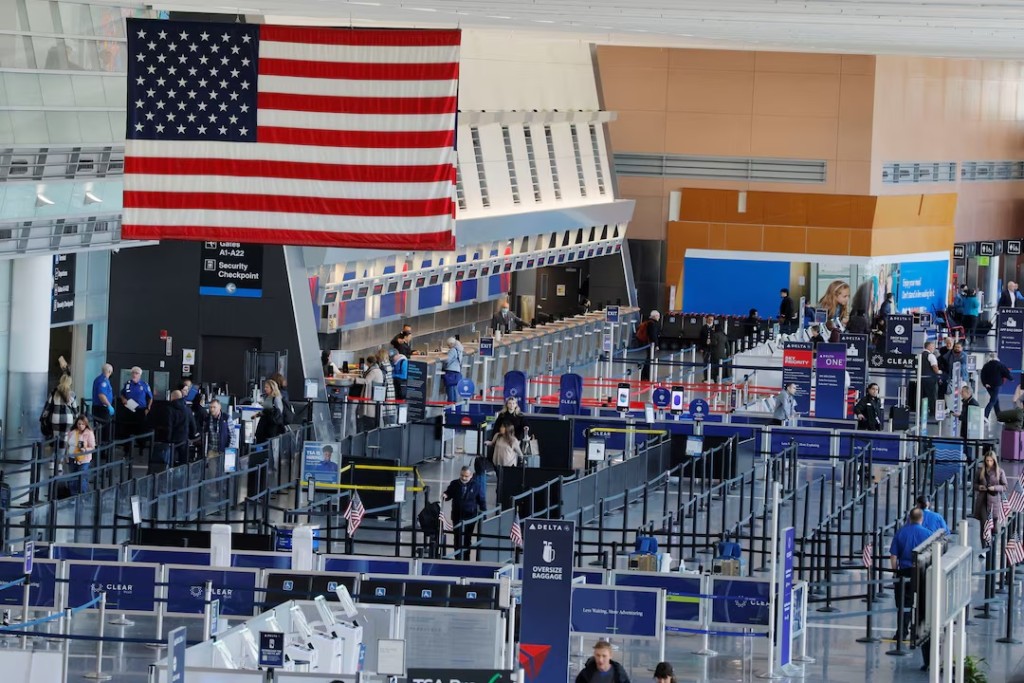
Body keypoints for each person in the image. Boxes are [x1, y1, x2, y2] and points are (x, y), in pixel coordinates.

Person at [889, 508, 932, 642]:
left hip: (903, 572)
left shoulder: (901, 532)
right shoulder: (928, 534)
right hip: (921, 573)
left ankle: (901, 632)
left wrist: (896, 572)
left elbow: (893, 556)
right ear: (921, 519)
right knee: (921, 603)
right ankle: (919, 632)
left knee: (903, 604)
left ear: (910, 518)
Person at [442, 466, 486, 561]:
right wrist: (445, 495)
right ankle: (457, 558)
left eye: (466, 476)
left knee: (467, 538)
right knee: (457, 537)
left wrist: (484, 514)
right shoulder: (454, 484)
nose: (464, 478)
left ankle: (466, 559)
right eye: (462, 475)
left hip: (470, 516)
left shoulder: (476, 486)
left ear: (471, 476)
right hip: (457, 515)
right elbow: (449, 493)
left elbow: (481, 500)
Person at [973, 450, 1007, 546]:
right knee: (984, 524)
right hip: (983, 500)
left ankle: (993, 545)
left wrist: (995, 488)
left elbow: (1004, 486)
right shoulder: (980, 471)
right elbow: (974, 484)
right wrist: (980, 487)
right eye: (987, 460)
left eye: (991, 461)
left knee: (994, 526)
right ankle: (984, 546)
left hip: (994, 500)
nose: (989, 463)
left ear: (994, 461)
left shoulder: (1000, 471)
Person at [119, 366, 154, 457]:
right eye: (133, 373)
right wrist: (123, 399)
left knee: (141, 430)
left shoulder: (144, 384)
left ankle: (141, 448)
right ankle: (126, 450)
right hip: (129, 409)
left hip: (140, 410)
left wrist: (148, 408)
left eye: (136, 373)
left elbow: (150, 397)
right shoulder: (127, 384)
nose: (134, 375)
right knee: (127, 430)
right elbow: (122, 394)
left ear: (140, 375)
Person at [42, 373, 78, 460]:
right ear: (70, 382)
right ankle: (60, 462)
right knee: (64, 440)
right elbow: (75, 410)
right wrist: (76, 416)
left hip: (55, 418)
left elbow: (48, 407)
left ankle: (52, 461)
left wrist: (44, 416)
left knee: (55, 438)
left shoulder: (54, 393)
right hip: (68, 419)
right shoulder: (72, 394)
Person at [64, 414, 96, 494]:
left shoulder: (89, 433)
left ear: (86, 424)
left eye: (82, 424)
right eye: (79, 424)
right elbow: (67, 445)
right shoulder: (72, 432)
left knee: (82, 478)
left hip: (84, 459)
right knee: (73, 478)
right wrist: (66, 455)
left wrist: (85, 449)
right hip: (72, 458)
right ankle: (73, 496)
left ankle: (83, 496)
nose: (80, 426)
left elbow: (92, 446)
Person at [166, 389, 197, 466]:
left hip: (172, 440)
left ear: (172, 397)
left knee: (170, 461)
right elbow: (193, 425)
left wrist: (168, 439)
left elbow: (168, 426)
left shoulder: (169, 409)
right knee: (183, 461)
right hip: (184, 438)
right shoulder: (187, 409)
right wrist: (193, 435)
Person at [980, 352, 1014, 418]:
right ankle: (985, 415)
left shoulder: (986, 365)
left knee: (995, 400)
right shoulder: (1000, 365)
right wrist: (1011, 379)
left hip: (988, 385)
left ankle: (999, 416)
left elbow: (982, 375)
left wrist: (985, 383)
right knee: (993, 401)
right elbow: (1006, 373)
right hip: (996, 385)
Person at [356, 356, 384, 432]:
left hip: (371, 397)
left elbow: (366, 381)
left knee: (370, 417)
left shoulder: (373, 371)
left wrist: (355, 380)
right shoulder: (376, 369)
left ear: (369, 363)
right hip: (375, 396)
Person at [254, 379, 285, 444]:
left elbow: (279, 411)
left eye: (267, 387)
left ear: (272, 388)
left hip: (272, 426)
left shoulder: (276, 398)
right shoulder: (267, 397)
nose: (265, 389)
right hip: (264, 423)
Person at [91, 363, 114, 444]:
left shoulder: (98, 379)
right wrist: (109, 406)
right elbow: (101, 395)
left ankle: (101, 450)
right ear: (110, 371)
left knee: (99, 430)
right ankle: (103, 452)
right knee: (104, 431)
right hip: (102, 409)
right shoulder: (103, 381)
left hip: (98, 408)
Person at [919, 341, 941, 419]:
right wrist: (939, 373)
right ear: (928, 347)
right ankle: (932, 412)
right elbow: (934, 366)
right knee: (932, 396)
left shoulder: (920, 355)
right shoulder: (931, 355)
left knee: (922, 396)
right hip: (930, 379)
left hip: (921, 379)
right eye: (932, 346)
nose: (933, 348)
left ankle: (921, 411)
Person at [377, 348, 397, 425]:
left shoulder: (382, 366)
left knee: (387, 414)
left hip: (386, 391)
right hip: (391, 390)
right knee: (391, 411)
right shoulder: (389, 364)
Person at [443, 337, 464, 403]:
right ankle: (455, 405)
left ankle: (450, 404)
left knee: (450, 388)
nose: (448, 347)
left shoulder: (453, 350)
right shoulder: (460, 349)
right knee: (454, 389)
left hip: (451, 371)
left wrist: (444, 355)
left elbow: (447, 360)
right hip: (457, 371)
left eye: (449, 345)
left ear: (451, 344)